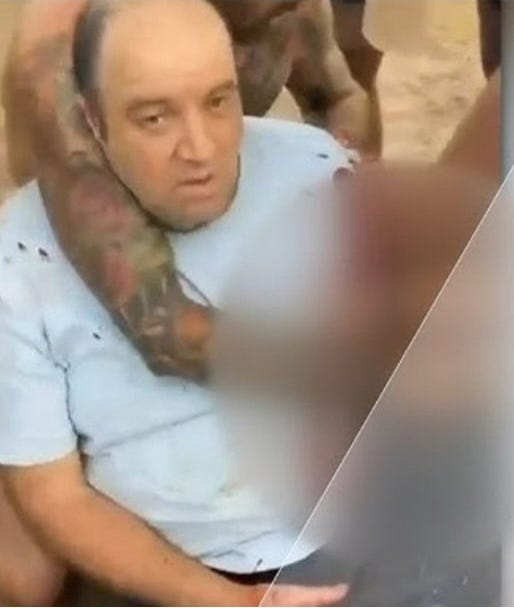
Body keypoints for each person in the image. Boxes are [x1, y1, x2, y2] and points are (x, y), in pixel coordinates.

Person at [0, 1, 352, 605]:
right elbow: (57, 496)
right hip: (167, 557)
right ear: (92, 121)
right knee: (26, 579)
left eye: (219, 101)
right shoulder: (23, 256)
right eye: (155, 118)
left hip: (338, 527)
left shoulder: (314, 165)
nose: (199, 148)